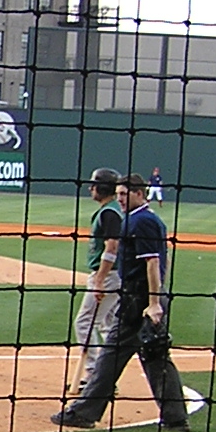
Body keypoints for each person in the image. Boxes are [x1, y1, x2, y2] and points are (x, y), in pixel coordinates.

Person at [53, 174, 190, 432]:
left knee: (111, 356)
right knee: (156, 357)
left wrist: (153, 303)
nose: (120, 200)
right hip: (142, 298)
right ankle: (176, 418)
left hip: (138, 301)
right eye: (118, 195)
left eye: (125, 195)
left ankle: (83, 412)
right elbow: (164, 261)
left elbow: (152, 263)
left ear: (140, 194)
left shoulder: (142, 221)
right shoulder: (146, 220)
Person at [70, 167, 124, 391]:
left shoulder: (110, 212)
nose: (91, 188)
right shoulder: (110, 210)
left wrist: (100, 280)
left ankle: (94, 375)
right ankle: (106, 378)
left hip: (108, 276)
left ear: (102, 187)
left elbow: (112, 246)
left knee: (84, 323)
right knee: (108, 327)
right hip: (113, 276)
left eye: (94, 184)